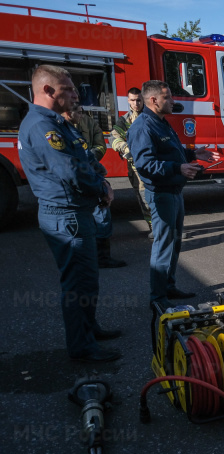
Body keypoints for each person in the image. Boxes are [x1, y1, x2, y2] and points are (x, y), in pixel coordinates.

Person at [18, 65, 121, 362]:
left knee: (87, 281)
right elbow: (71, 171)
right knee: (78, 284)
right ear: (48, 91)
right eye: (69, 89)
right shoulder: (42, 126)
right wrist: (100, 188)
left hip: (73, 213)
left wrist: (100, 178)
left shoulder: (55, 122)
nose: (76, 94)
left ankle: (89, 330)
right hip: (66, 216)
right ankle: (82, 348)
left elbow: (83, 155)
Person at [129, 80, 219, 308]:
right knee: (163, 245)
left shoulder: (162, 122)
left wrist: (192, 154)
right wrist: (177, 168)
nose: (173, 101)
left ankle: (168, 287)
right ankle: (158, 299)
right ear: (153, 100)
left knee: (174, 243)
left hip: (174, 192)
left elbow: (172, 151)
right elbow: (146, 165)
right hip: (161, 194)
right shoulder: (142, 127)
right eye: (168, 97)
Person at [64, 106, 127, 269]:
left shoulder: (85, 125)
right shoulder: (60, 130)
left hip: (90, 176)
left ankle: (101, 257)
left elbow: (97, 148)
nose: (81, 115)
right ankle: (93, 257)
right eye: (78, 112)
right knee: (92, 218)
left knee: (101, 216)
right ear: (68, 112)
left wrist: (101, 179)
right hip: (79, 180)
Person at [111, 87, 151, 235]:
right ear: (128, 100)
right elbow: (114, 137)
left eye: (139, 100)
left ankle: (166, 229)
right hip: (136, 168)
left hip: (154, 165)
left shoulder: (151, 116)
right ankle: (153, 228)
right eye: (133, 100)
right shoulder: (124, 121)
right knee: (144, 199)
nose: (136, 103)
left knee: (160, 198)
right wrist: (126, 149)